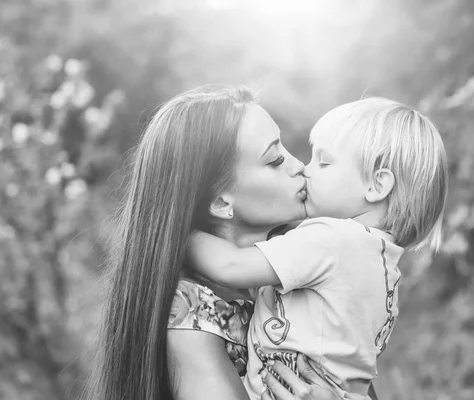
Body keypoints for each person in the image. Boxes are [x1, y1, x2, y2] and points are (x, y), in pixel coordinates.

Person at [84, 85, 348, 400]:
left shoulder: (304, 267)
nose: (298, 167)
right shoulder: (191, 312)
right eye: (275, 160)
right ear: (222, 203)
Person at [189, 97, 449, 399]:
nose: (304, 168)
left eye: (323, 162)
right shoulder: (382, 265)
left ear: (377, 186)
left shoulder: (331, 239)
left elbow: (230, 266)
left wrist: (177, 231)